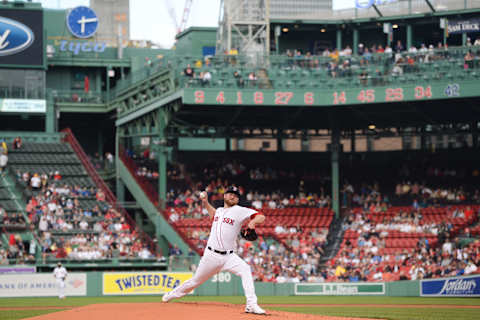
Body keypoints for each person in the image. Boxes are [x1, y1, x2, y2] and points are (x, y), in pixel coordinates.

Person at [162, 186, 267, 315]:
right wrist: (205, 202)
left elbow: (261, 216)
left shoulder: (240, 210)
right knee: (195, 281)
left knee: (245, 269)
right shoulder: (220, 211)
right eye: (230, 194)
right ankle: (171, 294)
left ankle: (251, 305)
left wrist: (252, 223)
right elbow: (214, 214)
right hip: (211, 256)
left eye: (235, 195)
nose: (233, 196)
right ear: (224, 196)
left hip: (229, 257)